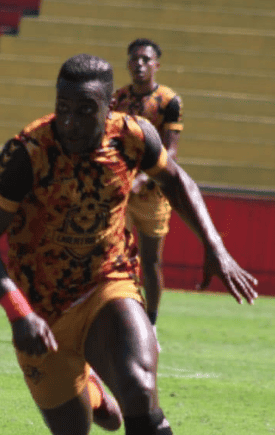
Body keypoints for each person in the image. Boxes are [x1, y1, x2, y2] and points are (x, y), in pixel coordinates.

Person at [0, 54, 258, 435]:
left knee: (139, 391)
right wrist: (19, 312)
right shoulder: (28, 153)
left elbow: (175, 180)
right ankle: (88, 385)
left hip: (108, 283)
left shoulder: (132, 136)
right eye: (63, 108)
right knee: (75, 432)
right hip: (43, 309)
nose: (70, 122)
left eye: (85, 110)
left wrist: (214, 246)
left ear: (108, 108)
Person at [112, 38, 184, 327]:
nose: (139, 64)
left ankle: (151, 323)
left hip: (153, 192)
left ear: (156, 65)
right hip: (123, 191)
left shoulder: (168, 101)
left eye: (145, 59)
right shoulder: (118, 99)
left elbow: (172, 149)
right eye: (135, 59)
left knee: (151, 262)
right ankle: (125, 319)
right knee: (120, 259)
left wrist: (146, 177)